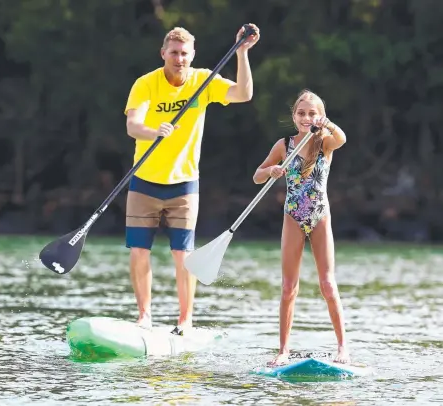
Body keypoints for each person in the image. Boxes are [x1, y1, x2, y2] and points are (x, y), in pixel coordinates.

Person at [124, 25, 260, 335]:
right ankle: (144, 316)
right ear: (163, 54)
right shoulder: (145, 84)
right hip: (144, 179)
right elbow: (133, 125)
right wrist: (152, 132)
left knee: (183, 255)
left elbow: (243, 93)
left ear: (192, 55)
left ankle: (185, 320)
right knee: (138, 251)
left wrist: (242, 54)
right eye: (173, 52)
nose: (179, 58)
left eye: (184, 53)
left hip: (185, 184)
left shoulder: (203, 81)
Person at [253, 89, 350, 365]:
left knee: (328, 285)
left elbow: (342, 139)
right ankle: (283, 350)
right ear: (294, 116)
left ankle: (343, 348)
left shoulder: (325, 143)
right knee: (288, 287)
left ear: (319, 116)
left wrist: (327, 124)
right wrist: (271, 171)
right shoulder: (284, 145)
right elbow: (257, 176)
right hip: (292, 218)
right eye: (302, 113)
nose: (306, 117)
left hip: (320, 217)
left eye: (312, 113)